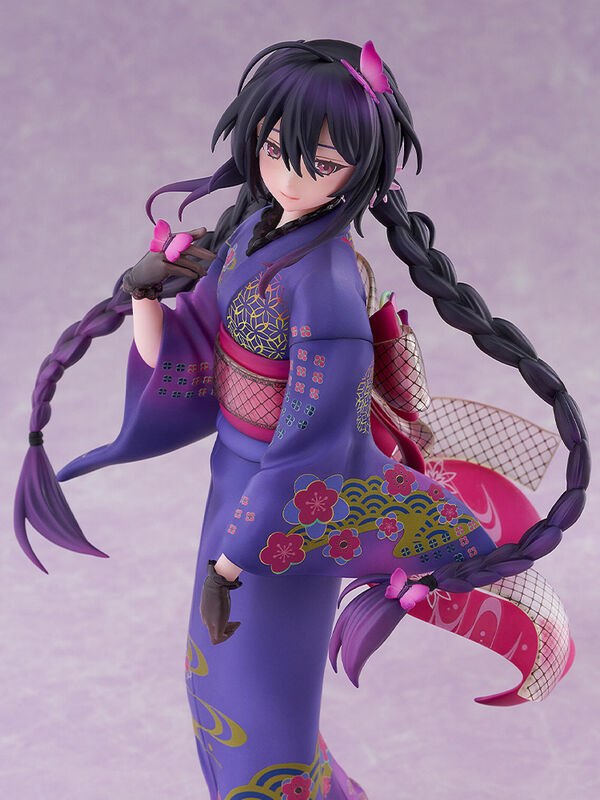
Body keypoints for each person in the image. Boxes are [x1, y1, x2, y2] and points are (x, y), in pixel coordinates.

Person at [14, 39, 588, 799]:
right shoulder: (251, 237)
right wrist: (146, 295)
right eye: (275, 149)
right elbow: (188, 356)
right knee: (214, 686)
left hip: (283, 521)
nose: (288, 176)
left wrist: (234, 559)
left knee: (262, 708)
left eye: (320, 164)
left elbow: (314, 441)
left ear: (362, 171)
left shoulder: (327, 285)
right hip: (235, 488)